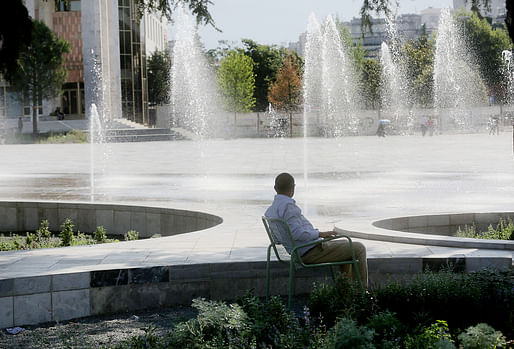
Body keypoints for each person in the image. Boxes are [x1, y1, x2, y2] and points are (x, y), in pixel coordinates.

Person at [264, 173, 368, 288]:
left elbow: (277, 239)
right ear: (293, 187)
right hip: (309, 253)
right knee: (359, 248)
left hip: (299, 251)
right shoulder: (288, 206)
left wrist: (318, 237)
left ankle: (346, 290)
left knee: (346, 245)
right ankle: (361, 292)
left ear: (275, 188)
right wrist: (321, 234)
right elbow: (297, 233)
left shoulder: (271, 211)